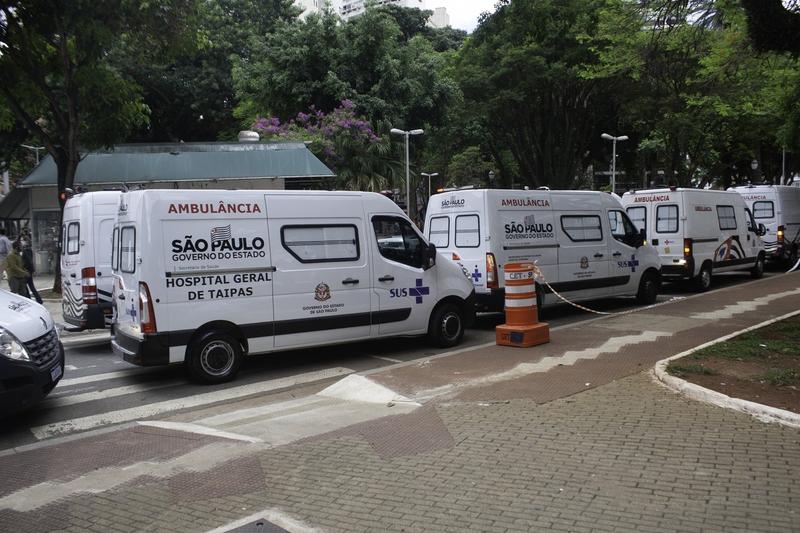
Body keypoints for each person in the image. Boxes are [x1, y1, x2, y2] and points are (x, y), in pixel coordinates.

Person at [20, 236, 42, 304]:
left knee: (26, 286)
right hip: (29, 270)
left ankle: (30, 299)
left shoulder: (25, 251)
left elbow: (28, 261)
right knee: (30, 286)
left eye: (22, 240)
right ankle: (38, 300)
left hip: (26, 270)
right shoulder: (29, 250)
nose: (21, 242)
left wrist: (25, 268)